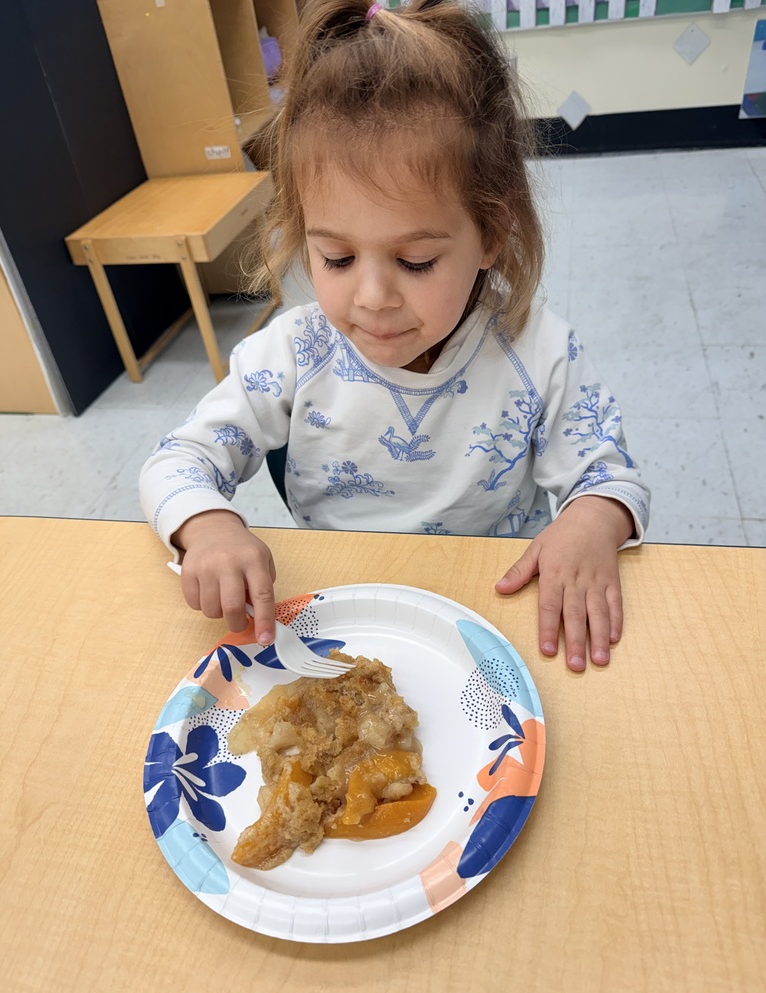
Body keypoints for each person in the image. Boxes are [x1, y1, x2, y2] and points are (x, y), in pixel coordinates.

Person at [139, 0, 650, 672]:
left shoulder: (538, 351)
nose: (373, 298)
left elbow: (609, 475)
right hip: (345, 625)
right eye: (337, 258)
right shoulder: (294, 353)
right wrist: (206, 527)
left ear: (491, 234)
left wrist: (590, 522)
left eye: (415, 262)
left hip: (497, 615)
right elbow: (176, 461)